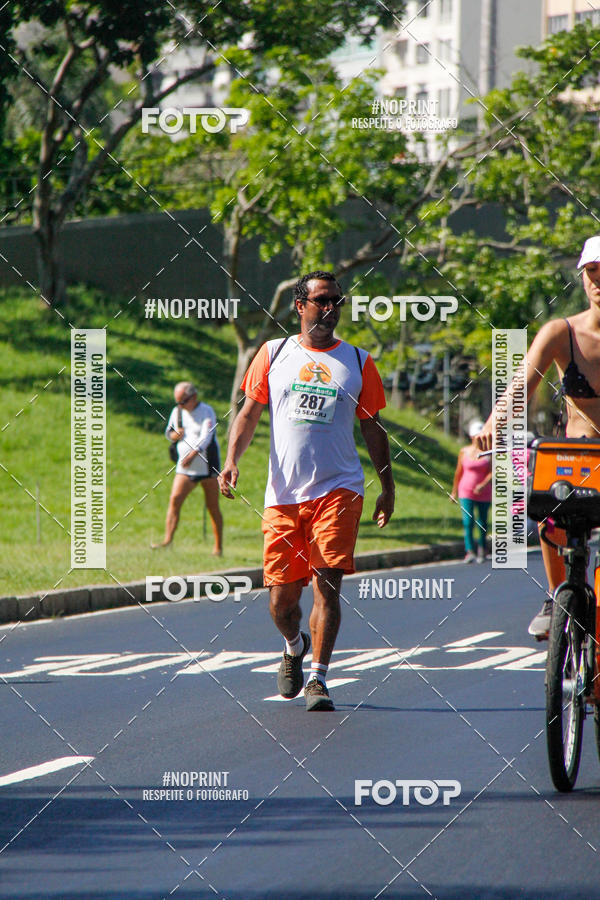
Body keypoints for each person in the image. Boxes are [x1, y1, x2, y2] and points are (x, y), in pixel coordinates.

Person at [218, 271, 395, 711]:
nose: (331, 308)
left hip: (339, 489)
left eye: (337, 300)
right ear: (300, 306)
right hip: (283, 495)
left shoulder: (357, 361)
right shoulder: (273, 353)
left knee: (327, 586)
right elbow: (248, 414)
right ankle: (294, 645)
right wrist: (232, 459)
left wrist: (386, 486)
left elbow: (373, 428)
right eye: (321, 300)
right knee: (281, 601)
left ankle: (319, 677)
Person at [477, 235, 600, 638]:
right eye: (592, 272)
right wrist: (495, 422)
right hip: (579, 457)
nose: (598, 281)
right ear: (582, 278)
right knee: (551, 514)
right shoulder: (560, 332)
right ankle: (555, 594)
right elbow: (521, 384)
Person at [153, 381, 223, 555]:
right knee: (174, 500)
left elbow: (207, 436)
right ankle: (168, 540)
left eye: (183, 401)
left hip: (207, 466)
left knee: (212, 505)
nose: (180, 405)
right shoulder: (177, 411)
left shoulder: (207, 411)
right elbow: (169, 432)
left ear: (194, 397)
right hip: (185, 468)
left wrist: (193, 454)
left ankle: (218, 547)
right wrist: (174, 436)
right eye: (178, 402)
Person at [451, 419, 492, 563]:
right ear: (471, 436)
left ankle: (482, 548)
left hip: (484, 493)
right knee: (468, 521)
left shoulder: (489, 452)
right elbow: (458, 472)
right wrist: (454, 492)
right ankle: (469, 550)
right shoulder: (464, 451)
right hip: (466, 491)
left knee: (482, 521)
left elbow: (492, 472)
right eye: (475, 435)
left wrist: (483, 484)